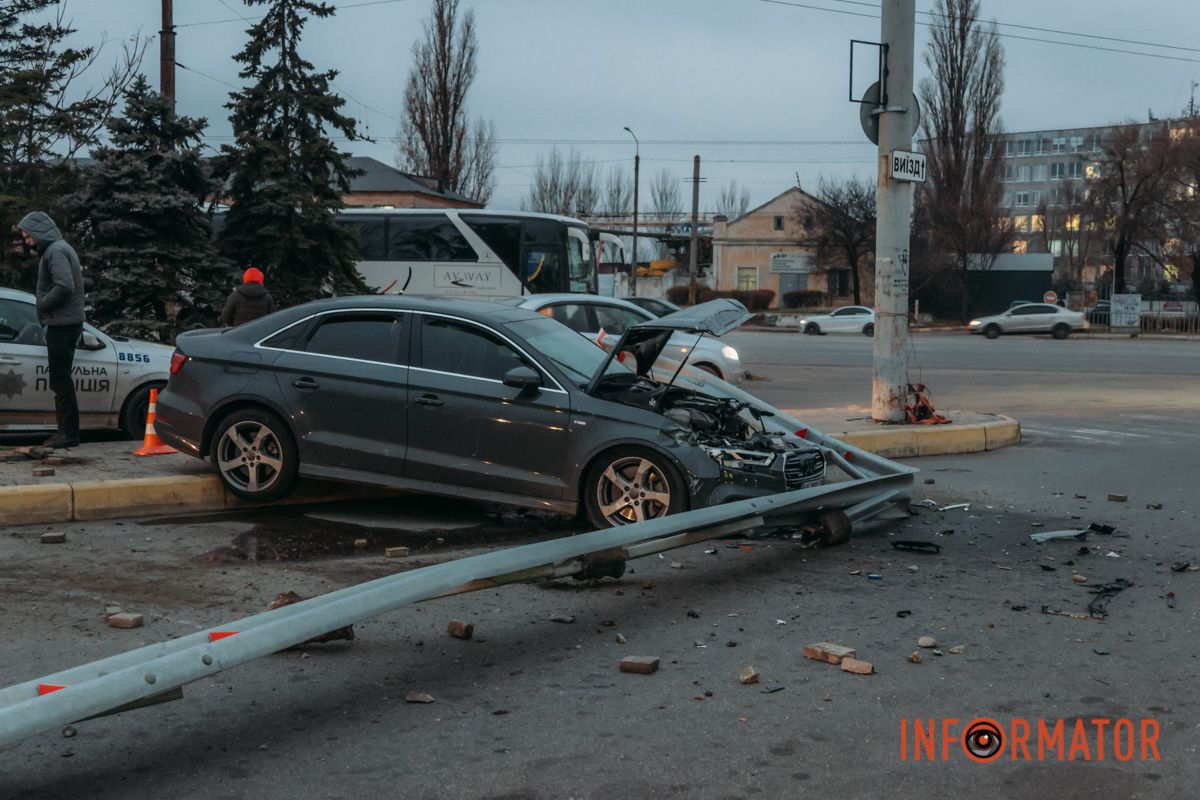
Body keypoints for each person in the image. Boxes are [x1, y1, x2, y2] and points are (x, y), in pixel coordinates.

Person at [17, 211, 86, 449]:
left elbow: (64, 285)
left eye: (28, 237)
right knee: (61, 379)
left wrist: (42, 303)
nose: (27, 241)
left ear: (38, 232)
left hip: (62, 324)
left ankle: (68, 434)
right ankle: (66, 433)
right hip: (65, 322)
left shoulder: (55, 251)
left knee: (60, 380)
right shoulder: (58, 248)